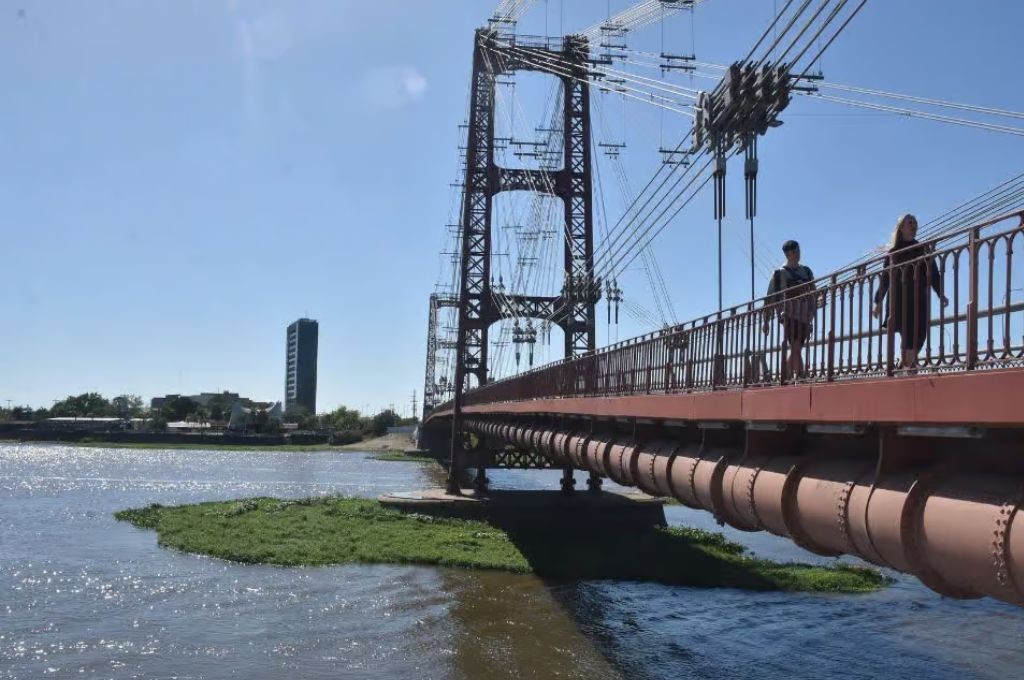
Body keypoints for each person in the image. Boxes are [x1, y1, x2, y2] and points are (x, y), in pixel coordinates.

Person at [872, 213, 949, 371]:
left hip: (919, 299)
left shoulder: (922, 249)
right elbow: (885, 279)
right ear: (901, 227)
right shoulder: (893, 253)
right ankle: (909, 368)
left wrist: (940, 293)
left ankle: (905, 365)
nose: (914, 225)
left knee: (920, 335)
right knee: (908, 334)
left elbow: (933, 273)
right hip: (899, 300)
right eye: (910, 222)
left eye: (915, 222)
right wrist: (878, 302)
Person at [762, 240, 821, 380]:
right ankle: (792, 378)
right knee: (795, 347)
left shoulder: (806, 271)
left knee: (797, 349)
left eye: (798, 250)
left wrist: (817, 301)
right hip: (788, 315)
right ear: (787, 254)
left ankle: (795, 377)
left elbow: (814, 290)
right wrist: (766, 321)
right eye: (794, 251)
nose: (798, 254)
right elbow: (769, 298)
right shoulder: (779, 274)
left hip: (806, 316)